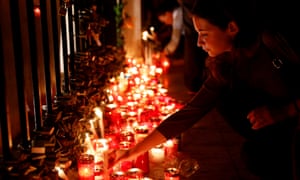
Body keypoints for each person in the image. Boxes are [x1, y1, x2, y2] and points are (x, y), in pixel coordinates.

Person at [110, 0, 300, 179]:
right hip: (277, 133)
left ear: (232, 28)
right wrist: (132, 152)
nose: (199, 43)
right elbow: (191, 112)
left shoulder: (271, 46)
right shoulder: (226, 63)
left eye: (204, 34)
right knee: (254, 157)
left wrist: (283, 111)